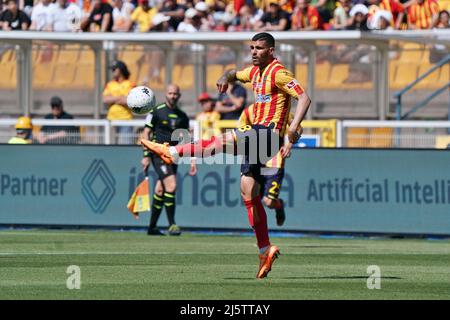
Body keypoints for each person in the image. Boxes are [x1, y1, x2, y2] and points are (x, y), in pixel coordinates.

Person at [141, 32, 311, 279]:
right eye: (252, 47)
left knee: (222, 141)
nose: (254, 51)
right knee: (248, 191)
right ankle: (265, 250)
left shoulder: (278, 72)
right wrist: (224, 77)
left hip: (267, 133)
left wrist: (294, 127)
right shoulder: (254, 73)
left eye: (260, 48)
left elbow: (304, 97)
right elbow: (234, 73)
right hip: (259, 137)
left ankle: (173, 151)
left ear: (271, 51)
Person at [141, 84, 197, 236]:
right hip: (158, 154)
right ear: (166, 94)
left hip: (174, 155)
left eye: (175, 94)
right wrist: (146, 155)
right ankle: (172, 224)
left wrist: (192, 160)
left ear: (179, 96)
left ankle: (152, 228)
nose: (173, 96)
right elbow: (146, 132)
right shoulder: (156, 111)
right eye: (170, 93)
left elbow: (186, 140)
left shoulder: (182, 116)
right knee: (171, 185)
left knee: (160, 189)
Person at [238, 103, 296, 226]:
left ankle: (278, 205)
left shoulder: (280, 110)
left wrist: (289, 145)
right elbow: (242, 133)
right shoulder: (249, 111)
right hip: (255, 161)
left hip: (274, 163)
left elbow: (297, 127)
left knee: (269, 202)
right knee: (253, 199)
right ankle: (262, 239)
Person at [102, 60, 135, 144]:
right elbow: (105, 99)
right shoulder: (110, 84)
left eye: (114, 69)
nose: (113, 71)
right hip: (111, 119)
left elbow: (131, 100)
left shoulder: (130, 84)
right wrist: (121, 97)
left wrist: (113, 98)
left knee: (126, 146)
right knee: (109, 146)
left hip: (125, 119)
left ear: (120, 70)